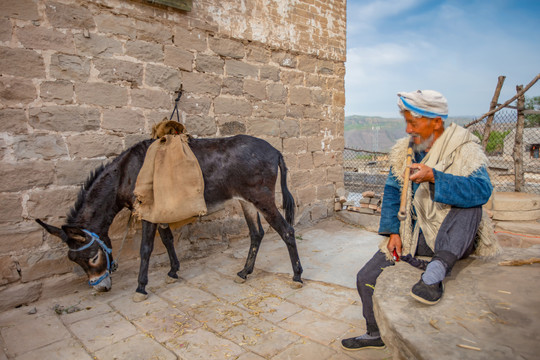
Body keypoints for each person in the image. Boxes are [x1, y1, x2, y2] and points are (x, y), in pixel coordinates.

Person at [341, 90, 500, 351]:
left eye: (414, 122)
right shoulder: (404, 152)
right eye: (407, 121)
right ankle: (375, 332)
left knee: (472, 205)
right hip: (414, 237)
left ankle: (438, 268)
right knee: (365, 277)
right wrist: (393, 233)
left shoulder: (464, 150)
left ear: (436, 121)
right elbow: (393, 192)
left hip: (451, 237)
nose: (408, 128)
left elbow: (482, 190)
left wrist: (435, 177)